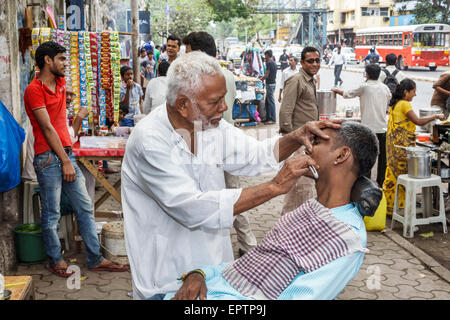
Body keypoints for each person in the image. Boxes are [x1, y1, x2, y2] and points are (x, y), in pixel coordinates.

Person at [121, 50, 342, 300]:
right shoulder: (150, 140)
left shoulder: (208, 126)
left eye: (224, 98)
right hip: (165, 276)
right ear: (183, 104)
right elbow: (192, 208)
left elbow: (255, 154)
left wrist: (295, 137)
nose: (224, 107)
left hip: (211, 268)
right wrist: (274, 186)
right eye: (215, 101)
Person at [166, 121, 378, 300]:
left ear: (341, 156)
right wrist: (200, 273)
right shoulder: (310, 209)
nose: (306, 146)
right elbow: (252, 264)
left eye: (317, 141)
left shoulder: (346, 240)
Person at [23, 41, 128, 277]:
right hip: (48, 158)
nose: (65, 63)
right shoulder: (34, 90)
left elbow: (62, 116)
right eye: (60, 58)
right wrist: (66, 161)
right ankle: (55, 259)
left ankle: (95, 258)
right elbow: (47, 128)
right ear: (47, 61)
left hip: (65, 154)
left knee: (84, 207)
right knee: (51, 214)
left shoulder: (59, 83)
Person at [183, 31, 257, 257]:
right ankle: (247, 244)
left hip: (212, 142)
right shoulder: (225, 74)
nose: (186, 60)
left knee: (223, 197)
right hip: (223, 141)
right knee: (231, 195)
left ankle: (243, 245)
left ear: (200, 53)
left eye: (189, 54)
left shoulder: (206, 79)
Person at [383, 79, 445, 215]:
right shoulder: (404, 104)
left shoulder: (396, 103)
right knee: (404, 176)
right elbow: (418, 121)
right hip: (401, 150)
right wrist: (435, 116)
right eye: (413, 92)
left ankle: (389, 207)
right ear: (406, 92)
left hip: (393, 147)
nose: (415, 95)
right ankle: (401, 209)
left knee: (393, 176)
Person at [332, 64, 391, 187]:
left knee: (367, 155)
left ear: (367, 74)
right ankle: (381, 180)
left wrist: (336, 90)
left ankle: (366, 181)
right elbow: (388, 101)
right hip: (382, 127)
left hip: (368, 128)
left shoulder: (365, 87)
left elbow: (349, 94)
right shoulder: (385, 88)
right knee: (382, 158)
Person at [279, 46, 321, 214]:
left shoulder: (310, 80)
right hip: (298, 141)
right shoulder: (297, 80)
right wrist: (291, 139)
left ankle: (296, 224)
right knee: (300, 186)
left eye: (317, 60)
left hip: (307, 140)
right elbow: (285, 111)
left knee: (302, 186)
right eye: (310, 61)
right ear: (302, 62)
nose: (315, 64)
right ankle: (288, 224)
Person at [260, 50, 277, 125]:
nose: (264, 56)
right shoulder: (273, 62)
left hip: (270, 84)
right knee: (267, 102)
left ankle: (272, 119)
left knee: (270, 102)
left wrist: (259, 79)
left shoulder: (269, 63)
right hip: (272, 83)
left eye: (265, 55)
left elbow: (267, 75)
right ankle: (268, 118)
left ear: (267, 55)